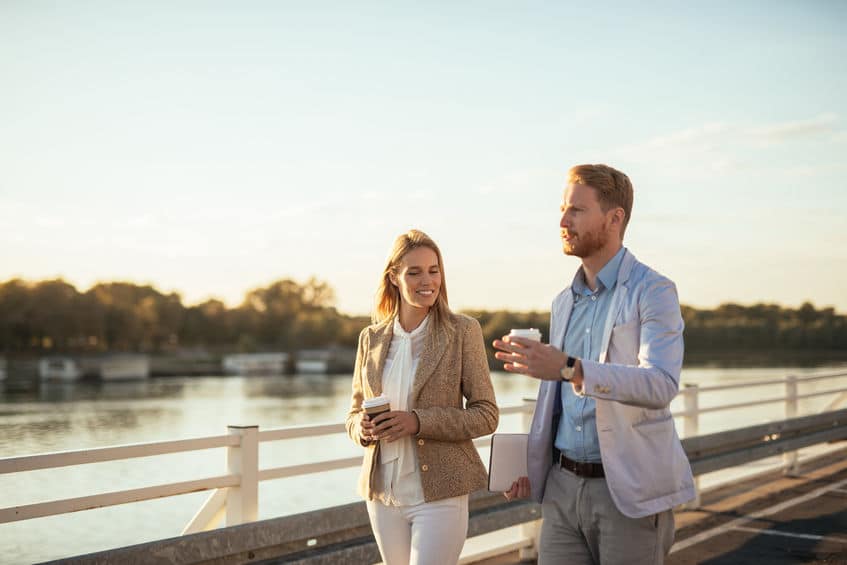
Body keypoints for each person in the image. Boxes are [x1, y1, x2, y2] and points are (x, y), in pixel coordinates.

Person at [493, 164, 695, 565]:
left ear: (614, 217)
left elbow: (660, 384)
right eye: (563, 210)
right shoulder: (562, 302)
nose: (563, 221)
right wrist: (533, 465)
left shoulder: (654, 291)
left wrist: (571, 368)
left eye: (576, 210)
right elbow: (558, 407)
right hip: (562, 492)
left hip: (628, 493)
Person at [346, 229, 499, 565]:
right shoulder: (369, 338)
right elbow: (354, 413)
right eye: (414, 272)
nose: (427, 280)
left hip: (440, 492)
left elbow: (486, 414)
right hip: (382, 494)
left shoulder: (462, 331)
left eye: (434, 270)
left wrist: (417, 422)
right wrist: (363, 429)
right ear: (394, 278)